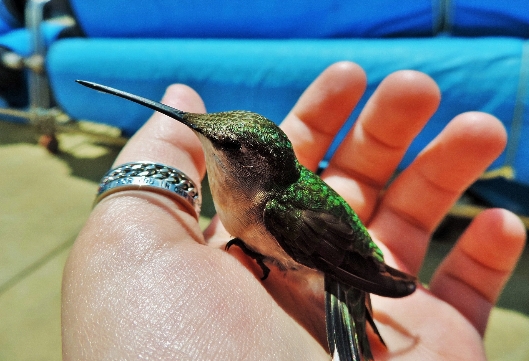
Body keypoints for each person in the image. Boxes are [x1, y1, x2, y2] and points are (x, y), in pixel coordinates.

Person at [61, 62, 526, 360]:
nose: (204, 135)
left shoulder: (275, 207)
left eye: (226, 144)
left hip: (338, 272)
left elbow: (325, 256)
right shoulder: (250, 192)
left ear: (251, 164)